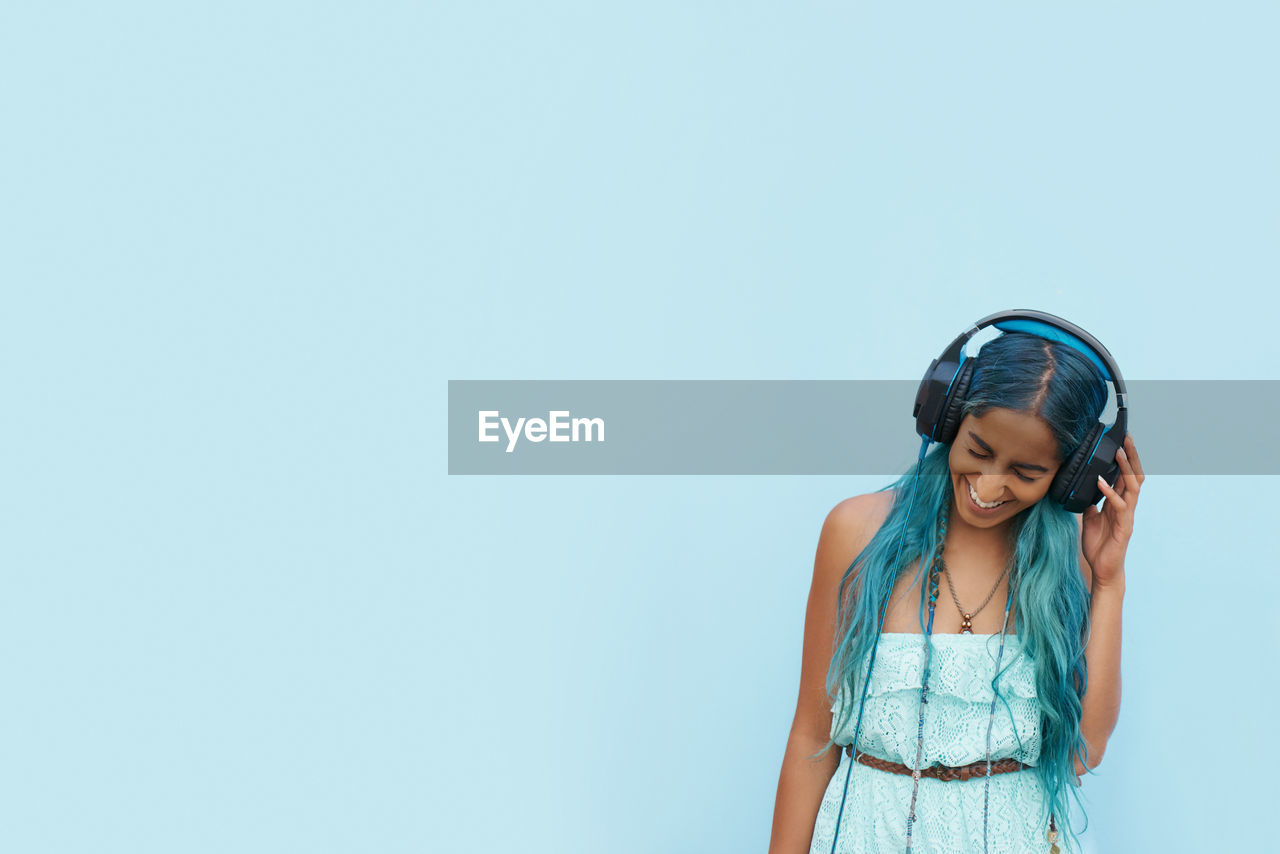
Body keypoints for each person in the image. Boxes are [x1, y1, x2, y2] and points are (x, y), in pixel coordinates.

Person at [768, 314, 1144, 854]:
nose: (990, 485)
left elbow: (1086, 749)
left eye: (1028, 471)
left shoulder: (1072, 563)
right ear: (947, 417)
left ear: (1072, 475)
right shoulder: (855, 532)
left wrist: (1109, 581)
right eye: (980, 450)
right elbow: (811, 733)